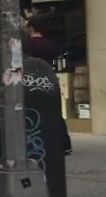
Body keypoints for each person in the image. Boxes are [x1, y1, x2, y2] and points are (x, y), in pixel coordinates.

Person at [23, 17, 72, 154]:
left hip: (34, 81)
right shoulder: (51, 44)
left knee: (34, 113)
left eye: (27, 27)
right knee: (54, 111)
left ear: (31, 28)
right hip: (50, 79)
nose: (25, 29)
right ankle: (64, 143)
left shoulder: (29, 44)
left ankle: (38, 143)